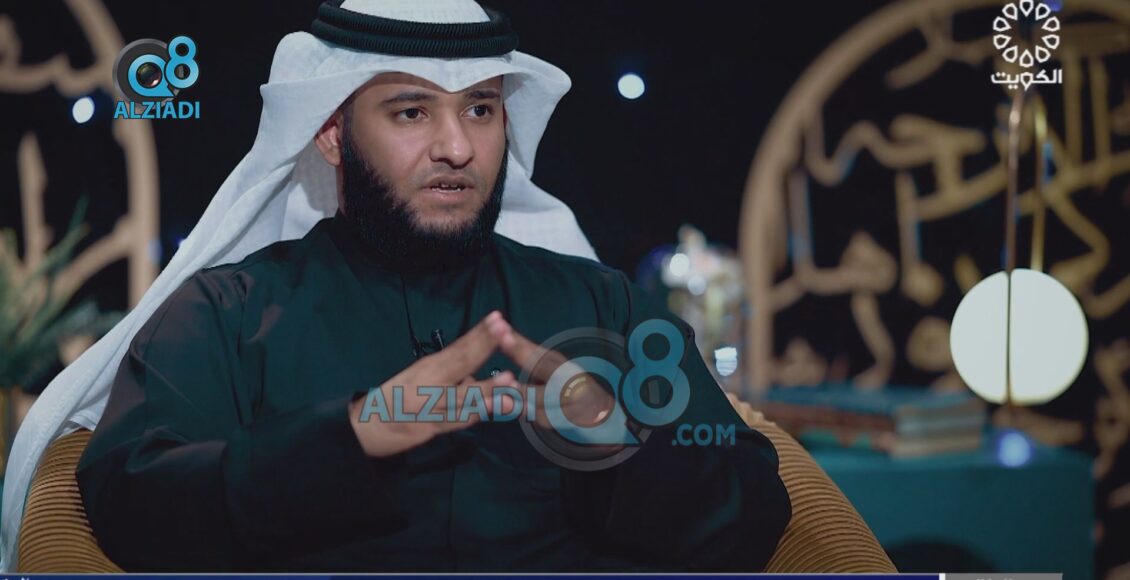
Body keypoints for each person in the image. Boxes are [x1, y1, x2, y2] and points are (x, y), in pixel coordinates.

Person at [11, 0, 790, 572]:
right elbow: (129, 504)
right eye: (412, 112)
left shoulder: (601, 306)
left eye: (480, 108)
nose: (457, 146)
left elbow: (757, 510)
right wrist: (347, 440)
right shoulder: (228, 315)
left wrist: (621, 449)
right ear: (331, 133)